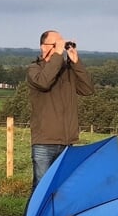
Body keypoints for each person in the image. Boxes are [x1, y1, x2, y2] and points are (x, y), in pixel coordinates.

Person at [26, 30, 95, 188]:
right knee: (41, 190)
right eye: (56, 44)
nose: (61, 47)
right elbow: (44, 82)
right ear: (43, 47)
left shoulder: (67, 71)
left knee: (61, 190)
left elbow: (87, 89)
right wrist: (57, 54)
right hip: (44, 141)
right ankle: (32, 215)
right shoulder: (34, 69)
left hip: (66, 142)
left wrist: (76, 62)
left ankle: (57, 214)